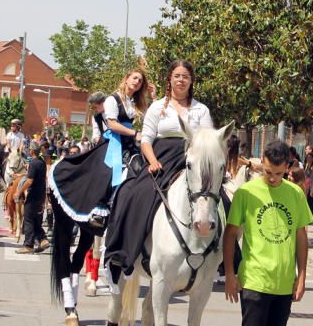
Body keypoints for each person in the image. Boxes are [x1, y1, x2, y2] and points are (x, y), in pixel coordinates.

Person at [223, 140, 313, 326]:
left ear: (288, 167)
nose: (273, 178)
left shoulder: (295, 194)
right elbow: (231, 233)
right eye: (269, 172)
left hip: (283, 283)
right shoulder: (247, 193)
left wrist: (300, 277)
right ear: (262, 162)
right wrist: (230, 273)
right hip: (254, 281)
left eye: (278, 173)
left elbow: (301, 236)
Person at [104, 60, 212, 277]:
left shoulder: (202, 109)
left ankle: (226, 260)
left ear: (192, 81)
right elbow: (146, 139)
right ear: (170, 79)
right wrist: (152, 161)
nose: (181, 80)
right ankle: (122, 251)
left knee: (222, 200)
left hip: (194, 160)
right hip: (161, 158)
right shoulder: (156, 107)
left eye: (186, 77)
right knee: (133, 193)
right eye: (177, 76)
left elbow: (208, 140)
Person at [48, 68, 151, 229]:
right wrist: (135, 133)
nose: (137, 82)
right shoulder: (113, 99)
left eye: (140, 80)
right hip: (114, 142)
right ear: (126, 78)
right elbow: (113, 124)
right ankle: (100, 209)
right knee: (109, 171)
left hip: (130, 143)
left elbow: (151, 116)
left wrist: (154, 96)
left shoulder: (134, 102)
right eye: (135, 78)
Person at [16, 141, 49, 254]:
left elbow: (30, 181)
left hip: (33, 195)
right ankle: (43, 239)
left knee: (28, 218)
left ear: (31, 151)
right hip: (40, 194)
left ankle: (28, 244)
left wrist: (19, 192)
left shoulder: (34, 163)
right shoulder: (42, 162)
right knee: (35, 219)